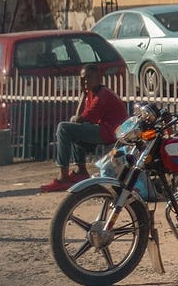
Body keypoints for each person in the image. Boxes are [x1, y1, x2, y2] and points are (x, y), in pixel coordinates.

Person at [40, 63, 128, 192]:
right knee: (74, 128)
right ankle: (81, 171)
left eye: (88, 78)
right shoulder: (92, 93)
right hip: (105, 129)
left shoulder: (102, 95)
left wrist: (76, 118)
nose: (85, 81)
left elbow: (83, 118)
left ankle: (63, 177)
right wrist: (84, 94)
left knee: (64, 128)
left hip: (111, 132)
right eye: (82, 79)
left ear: (98, 78)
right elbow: (81, 117)